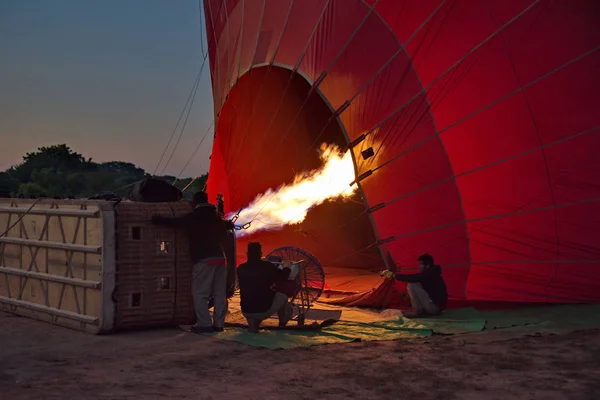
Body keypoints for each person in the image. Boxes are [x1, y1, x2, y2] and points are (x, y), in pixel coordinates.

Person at [151, 191, 234, 333]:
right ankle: (219, 324)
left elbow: (174, 223)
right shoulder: (217, 219)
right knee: (220, 293)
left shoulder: (193, 218)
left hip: (204, 259)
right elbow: (226, 229)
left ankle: (205, 324)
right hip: (220, 259)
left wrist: (156, 219)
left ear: (194, 204)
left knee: (200, 293)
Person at [237, 242, 294, 333]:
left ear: (247, 254)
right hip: (263, 309)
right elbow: (284, 276)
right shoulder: (268, 267)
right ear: (261, 254)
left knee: (255, 301)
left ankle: (253, 324)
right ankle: (282, 324)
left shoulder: (241, 268)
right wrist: (287, 266)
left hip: (246, 311)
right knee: (282, 296)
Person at [381, 253, 447, 318]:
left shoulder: (429, 273)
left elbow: (413, 278)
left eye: (420, 264)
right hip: (437, 308)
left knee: (412, 285)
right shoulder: (433, 273)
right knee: (416, 283)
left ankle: (419, 312)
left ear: (427, 265)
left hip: (434, 308)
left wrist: (393, 275)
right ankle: (422, 311)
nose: (419, 266)